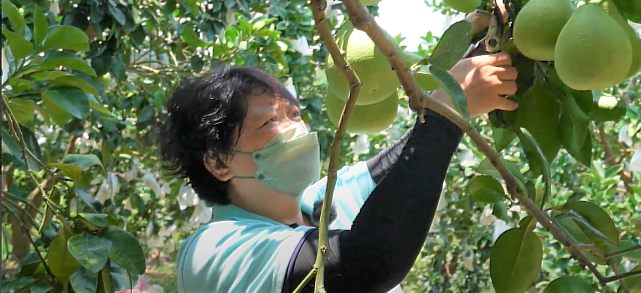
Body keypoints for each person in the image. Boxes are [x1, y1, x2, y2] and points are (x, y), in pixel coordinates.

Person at [157, 43, 518, 293]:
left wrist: (477, 44)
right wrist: (447, 112)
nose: (294, 130)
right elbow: (366, 263)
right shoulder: (216, 249)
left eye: (294, 115)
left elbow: (401, 160)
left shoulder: (321, 204)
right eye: (268, 123)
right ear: (219, 162)